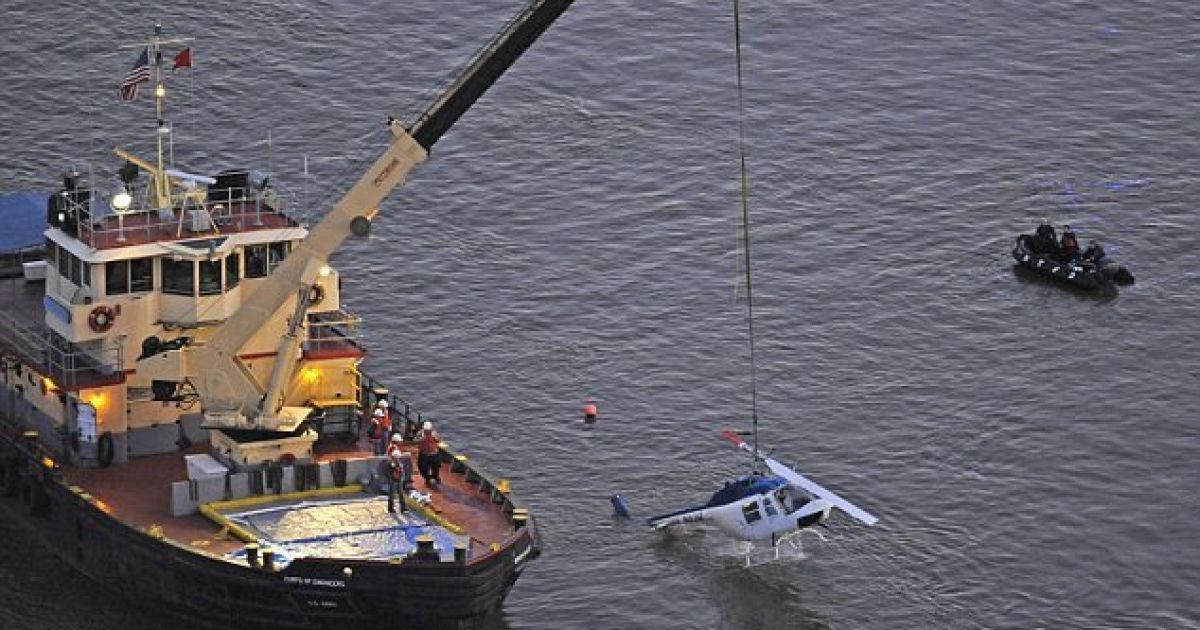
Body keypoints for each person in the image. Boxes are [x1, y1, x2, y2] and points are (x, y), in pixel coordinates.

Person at [386, 435, 410, 513]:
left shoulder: (399, 463)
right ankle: (390, 508)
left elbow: (401, 471)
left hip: (399, 479)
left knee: (401, 493)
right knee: (392, 494)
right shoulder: (391, 464)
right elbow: (389, 471)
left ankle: (403, 507)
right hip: (393, 480)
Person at [417, 421, 442, 486]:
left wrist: (435, 438)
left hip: (434, 454)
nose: (427, 432)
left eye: (429, 431)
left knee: (436, 467)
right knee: (422, 468)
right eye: (426, 431)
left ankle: (435, 477)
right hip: (423, 454)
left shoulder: (434, 434)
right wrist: (421, 439)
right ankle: (427, 479)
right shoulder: (420, 434)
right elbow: (415, 441)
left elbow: (439, 440)